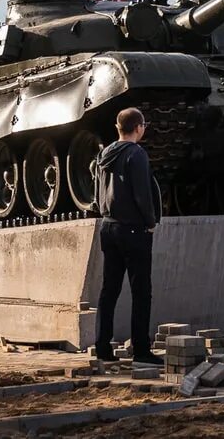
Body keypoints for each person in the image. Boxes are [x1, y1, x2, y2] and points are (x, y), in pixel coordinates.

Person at [93, 107, 163, 365]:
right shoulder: (137, 154)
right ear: (138, 127)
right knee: (141, 291)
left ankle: (102, 348)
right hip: (134, 229)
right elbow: (142, 194)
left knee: (109, 290)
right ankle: (141, 351)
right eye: (144, 125)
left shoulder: (104, 154)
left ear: (117, 127)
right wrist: (150, 222)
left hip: (108, 227)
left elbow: (97, 192)